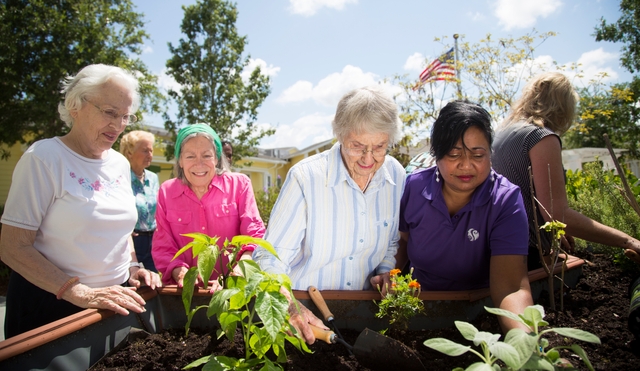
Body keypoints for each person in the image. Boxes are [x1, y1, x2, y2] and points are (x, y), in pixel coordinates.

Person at [0, 64, 161, 338]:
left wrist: (134, 266)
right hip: (51, 307)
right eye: (110, 112)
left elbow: (121, 230)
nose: (118, 125)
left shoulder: (120, 164)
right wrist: (80, 292)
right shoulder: (44, 158)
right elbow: (13, 247)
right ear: (75, 105)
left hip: (112, 304)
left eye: (125, 116)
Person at [253, 86, 407, 343]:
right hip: (305, 318)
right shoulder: (306, 178)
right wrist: (287, 304)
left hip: (363, 316)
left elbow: (391, 241)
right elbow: (269, 256)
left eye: (379, 146)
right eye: (357, 146)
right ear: (339, 136)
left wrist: (386, 270)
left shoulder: (396, 175)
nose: (368, 159)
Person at [397, 100, 533, 332]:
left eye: (478, 155)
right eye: (453, 154)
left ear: (490, 154)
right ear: (436, 155)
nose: (466, 165)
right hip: (420, 310)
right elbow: (401, 241)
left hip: (480, 312)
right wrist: (389, 277)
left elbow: (510, 288)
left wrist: (525, 345)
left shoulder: (505, 200)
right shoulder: (414, 188)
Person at [492, 72, 640, 268]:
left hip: (494, 249)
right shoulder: (541, 137)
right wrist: (628, 241)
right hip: (524, 256)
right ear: (563, 106)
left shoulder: (500, 134)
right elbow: (556, 213)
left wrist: (555, 230)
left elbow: (526, 196)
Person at [152, 123, 265, 289]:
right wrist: (181, 273)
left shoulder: (239, 185)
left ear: (217, 158)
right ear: (180, 161)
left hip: (233, 290)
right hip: (188, 293)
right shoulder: (167, 191)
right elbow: (163, 246)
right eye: (190, 156)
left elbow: (254, 234)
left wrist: (241, 268)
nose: (199, 164)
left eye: (206, 156)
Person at [120, 130, 160, 272]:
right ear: (129, 152)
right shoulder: (120, 177)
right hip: (129, 241)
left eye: (151, 150)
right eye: (144, 150)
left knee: (154, 284)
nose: (150, 155)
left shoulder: (153, 178)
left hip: (153, 240)